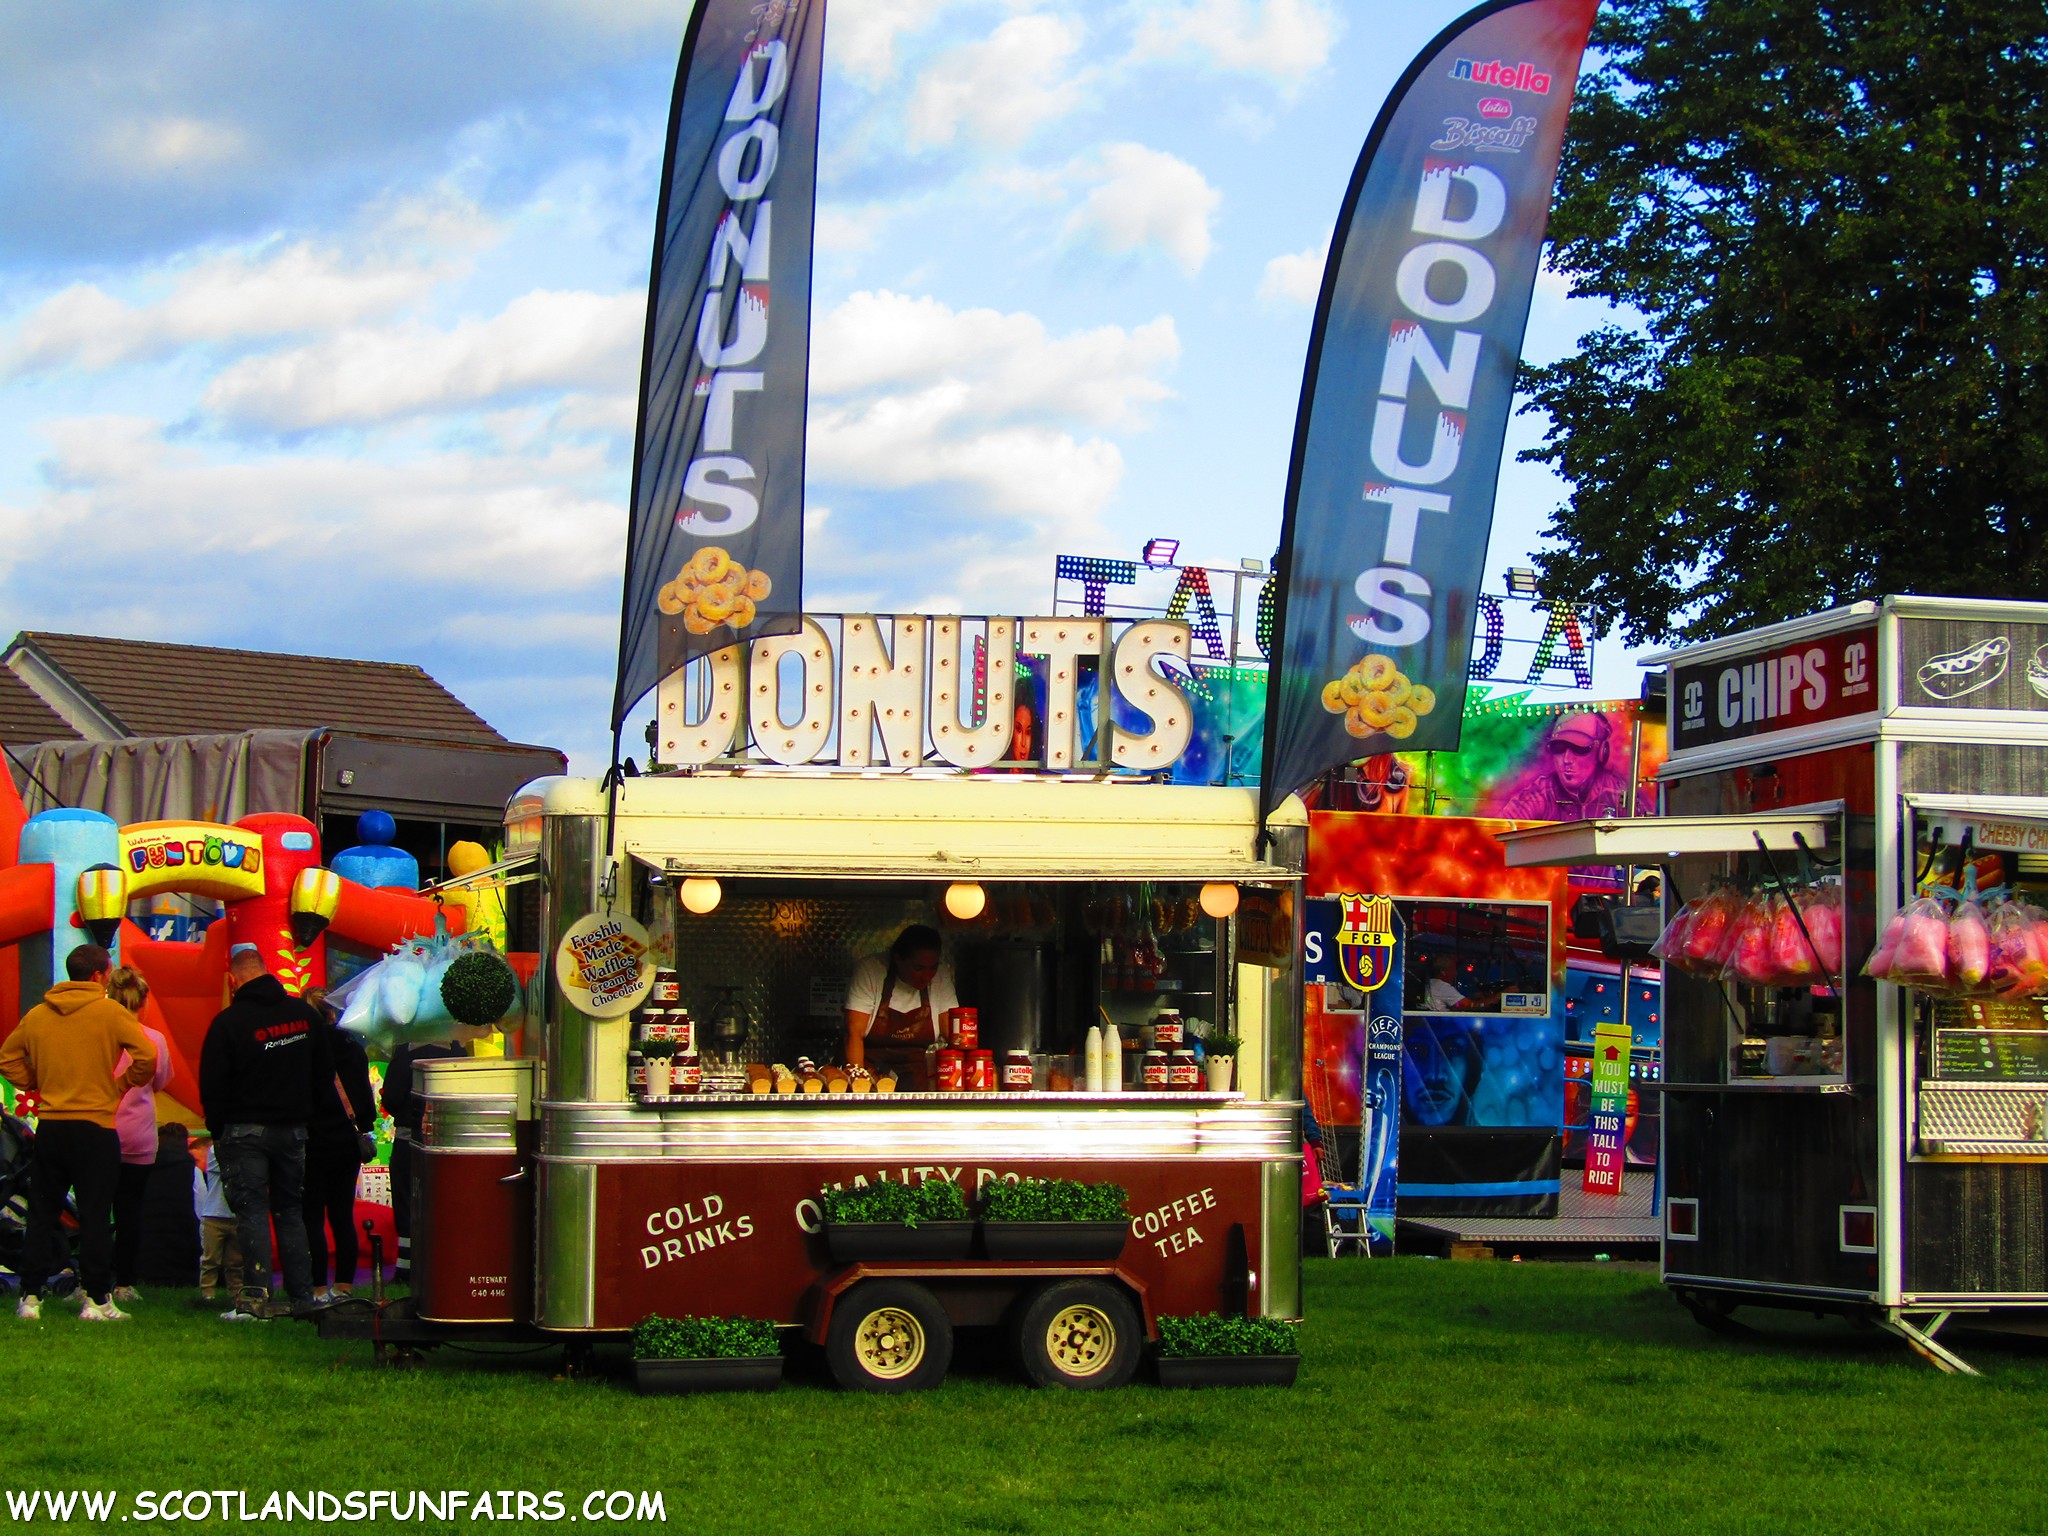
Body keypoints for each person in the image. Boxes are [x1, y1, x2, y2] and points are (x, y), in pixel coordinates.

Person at [0, 943, 156, 1321]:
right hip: (96, 1126)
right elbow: (147, 1056)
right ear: (101, 976)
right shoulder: (110, 1013)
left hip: (52, 1127)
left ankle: (31, 1298)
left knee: (42, 1213)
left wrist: (36, 1082)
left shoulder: (38, 1015)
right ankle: (98, 1299)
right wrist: (120, 1085)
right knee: (95, 1215)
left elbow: (7, 1057)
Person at [200, 943, 331, 1321]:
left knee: (252, 1212)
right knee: (291, 1211)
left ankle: (255, 1300)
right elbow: (323, 1072)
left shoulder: (228, 1023)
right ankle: (303, 1297)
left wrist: (217, 1128)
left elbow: (213, 1083)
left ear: (233, 980)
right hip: (294, 1130)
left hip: (244, 1131)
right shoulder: (302, 1016)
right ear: (267, 970)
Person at [381, 1021, 491, 1284]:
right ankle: (444, 1264)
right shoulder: (457, 1052)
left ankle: (407, 1268)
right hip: (447, 1141)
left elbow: (392, 1099)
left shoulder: (405, 1053)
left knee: (408, 1202)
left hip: (409, 1138)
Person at [301, 988, 376, 1303]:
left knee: (312, 1216)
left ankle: (318, 1285)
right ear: (333, 1012)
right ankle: (344, 1284)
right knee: (343, 1215)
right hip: (347, 1141)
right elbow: (365, 1100)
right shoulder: (352, 1047)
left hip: (314, 1140)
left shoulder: (304, 1049)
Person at [106, 965, 172, 1306]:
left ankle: (95, 1279)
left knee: (97, 1210)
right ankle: (126, 1282)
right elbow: (161, 1081)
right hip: (139, 1137)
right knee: (131, 1212)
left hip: (101, 1132)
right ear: (142, 1002)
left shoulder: (100, 1037)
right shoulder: (154, 1040)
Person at [842, 925, 960, 1090]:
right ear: (898, 959)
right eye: (918, 968)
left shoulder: (940, 976)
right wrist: (859, 1086)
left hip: (918, 1077)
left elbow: (954, 1036)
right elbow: (854, 1033)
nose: (927, 976)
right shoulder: (871, 970)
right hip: (871, 1074)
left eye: (932, 968)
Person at [1488, 711, 1631, 822]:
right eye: (1559, 748)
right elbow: (1498, 836)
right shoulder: (1540, 793)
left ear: (1602, 752)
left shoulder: (1619, 794)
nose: (1567, 760)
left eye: (1579, 749)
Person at [193, 1141, 243, 1302]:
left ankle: (237, 1293)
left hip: (232, 1216)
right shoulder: (216, 1151)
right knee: (211, 1259)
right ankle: (207, 1293)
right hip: (214, 1215)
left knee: (235, 1261)